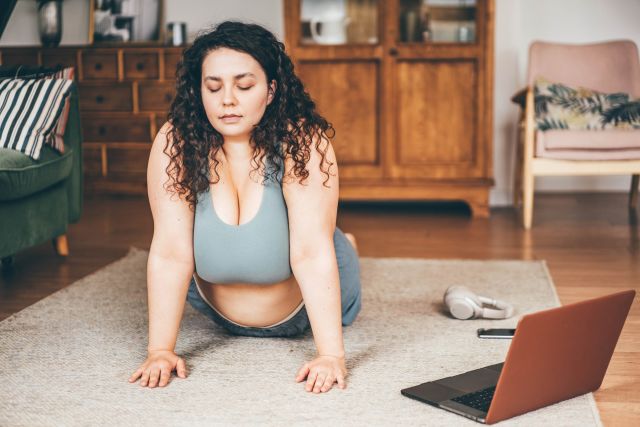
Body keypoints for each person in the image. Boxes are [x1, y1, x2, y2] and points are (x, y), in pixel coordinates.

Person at [128, 21, 362, 394]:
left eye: (244, 85)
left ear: (270, 90)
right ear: (199, 90)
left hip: (296, 313)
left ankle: (345, 243)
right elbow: (171, 252)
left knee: (327, 246)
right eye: (213, 86)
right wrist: (160, 350)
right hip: (219, 315)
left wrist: (331, 355)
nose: (227, 100)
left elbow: (311, 253)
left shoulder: (301, 141)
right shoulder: (176, 141)